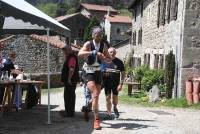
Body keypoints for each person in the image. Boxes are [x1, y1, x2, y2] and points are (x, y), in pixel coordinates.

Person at [78, 26, 111, 130]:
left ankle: (87, 108)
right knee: (95, 93)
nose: (99, 35)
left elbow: (108, 60)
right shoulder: (88, 44)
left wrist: (105, 58)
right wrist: (93, 52)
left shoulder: (103, 45)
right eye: (97, 33)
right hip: (88, 71)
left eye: (101, 33)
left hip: (97, 71)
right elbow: (80, 53)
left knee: (95, 95)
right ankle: (96, 121)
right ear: (93, 35)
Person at [102, 47, 125, 119]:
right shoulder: (104, 61)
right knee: (107, 98)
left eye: (113, 52)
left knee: (115, 98)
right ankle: (108, 114)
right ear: (108, 53)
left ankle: (115, 108)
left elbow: (123, 73)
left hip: (116, 83)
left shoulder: (119, 62)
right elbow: (100, 71)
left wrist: (121, 84)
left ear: (115, 53)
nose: (112, 53)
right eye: (110, 52)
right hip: (106, 83)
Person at [61, 44, 79, 117]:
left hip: (70, 81)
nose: (64, 52)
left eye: (65, 50)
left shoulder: (71, 57)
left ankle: (70, 113)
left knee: (69, 97)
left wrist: (68, 79)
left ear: (69, 50)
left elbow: (71, 69)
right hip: (71, 80)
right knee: (68, 96)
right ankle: (69, 112)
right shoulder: (70, 57)